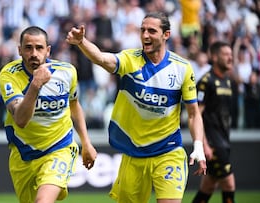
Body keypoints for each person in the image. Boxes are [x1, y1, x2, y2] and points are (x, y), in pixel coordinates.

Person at [66, 11, 207, 203]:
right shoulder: (130, 59)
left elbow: (193, 114)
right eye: (142, 30)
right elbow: (101, 58)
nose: (145, 35)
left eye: (151, 31)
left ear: (166, 35)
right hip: (134, 153)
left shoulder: (182, 68)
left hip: (168, 150)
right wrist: (82, 42)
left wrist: (198, 144)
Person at [0, 26, 97, 203]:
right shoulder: (8, 75)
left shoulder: (67, 72)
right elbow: (20, 120)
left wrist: (86, 143)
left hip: (59, 148)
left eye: (39, 48)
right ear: (19, 50)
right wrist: (36, 84)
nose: (34, 53)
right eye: (28, 48)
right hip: (23, 153)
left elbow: (74, 105)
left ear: (48, 50)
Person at [192, 41, 236, 203]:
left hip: (224, 139)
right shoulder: (206, 82)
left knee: (208, 186)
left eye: (231, 54)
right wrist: (203, 144)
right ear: (215, 57)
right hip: (213, 143)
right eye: (226, 54)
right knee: (229, 185)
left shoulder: (227, 80)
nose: (230, 58)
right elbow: (197, 114)